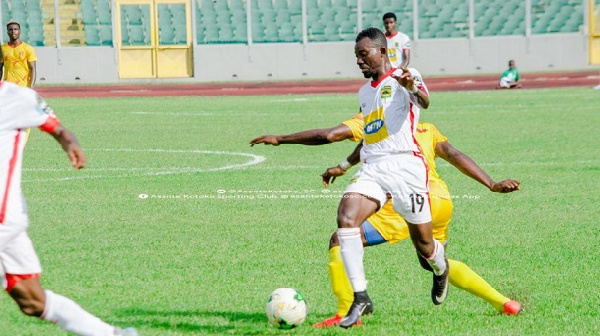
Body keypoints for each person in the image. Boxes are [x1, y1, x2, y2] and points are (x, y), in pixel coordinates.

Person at [251, 117, 523, 327]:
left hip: (406, 199)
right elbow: (454, 154)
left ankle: (348, 311)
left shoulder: (376, 117)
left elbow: (329, 135)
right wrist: (491, 183)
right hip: (441, 200)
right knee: (433, 261)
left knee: (341, 238)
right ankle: (505, 304)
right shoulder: (425, 127)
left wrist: (280, 138)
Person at [0, 80, 138, 336]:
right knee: (32, 300)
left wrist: (69, 143)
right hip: (10, 221)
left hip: (3, 217)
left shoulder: (17, 97)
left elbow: (58, 128)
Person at [0, 20, 37, 88]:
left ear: (19, 31)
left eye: (16, 29)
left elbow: (33, 69)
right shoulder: (2, 49)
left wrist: (31, 87)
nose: (13, 31)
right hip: (8, 87)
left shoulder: (28, 48)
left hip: (24, 86)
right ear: (7, 32)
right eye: (10, 29)